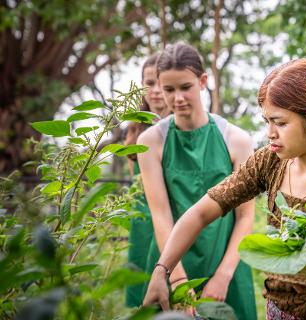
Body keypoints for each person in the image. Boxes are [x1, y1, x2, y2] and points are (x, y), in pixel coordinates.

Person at [143, 58, 306, 320]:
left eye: (281, 123)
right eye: (267, 122)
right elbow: (201, 213)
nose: (270, 133)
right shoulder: (271, 161)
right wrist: (162, 269)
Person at [137, 42, 257, 319]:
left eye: (185, 87)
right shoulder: (151, 142)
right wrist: (177, 280)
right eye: (169, 90)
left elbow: (246, 217)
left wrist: (224, 275)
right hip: (171, 263)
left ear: (202, 82)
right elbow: (161, 216)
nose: (177, 97)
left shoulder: (236, 140)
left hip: (227, 261)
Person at [125, 53, 171, 307]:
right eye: (148, 82)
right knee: (141, 287)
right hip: (142, 219)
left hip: (170, 215)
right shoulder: (136, 128)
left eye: (159, 82)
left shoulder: (182, 126)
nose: (154, 90)